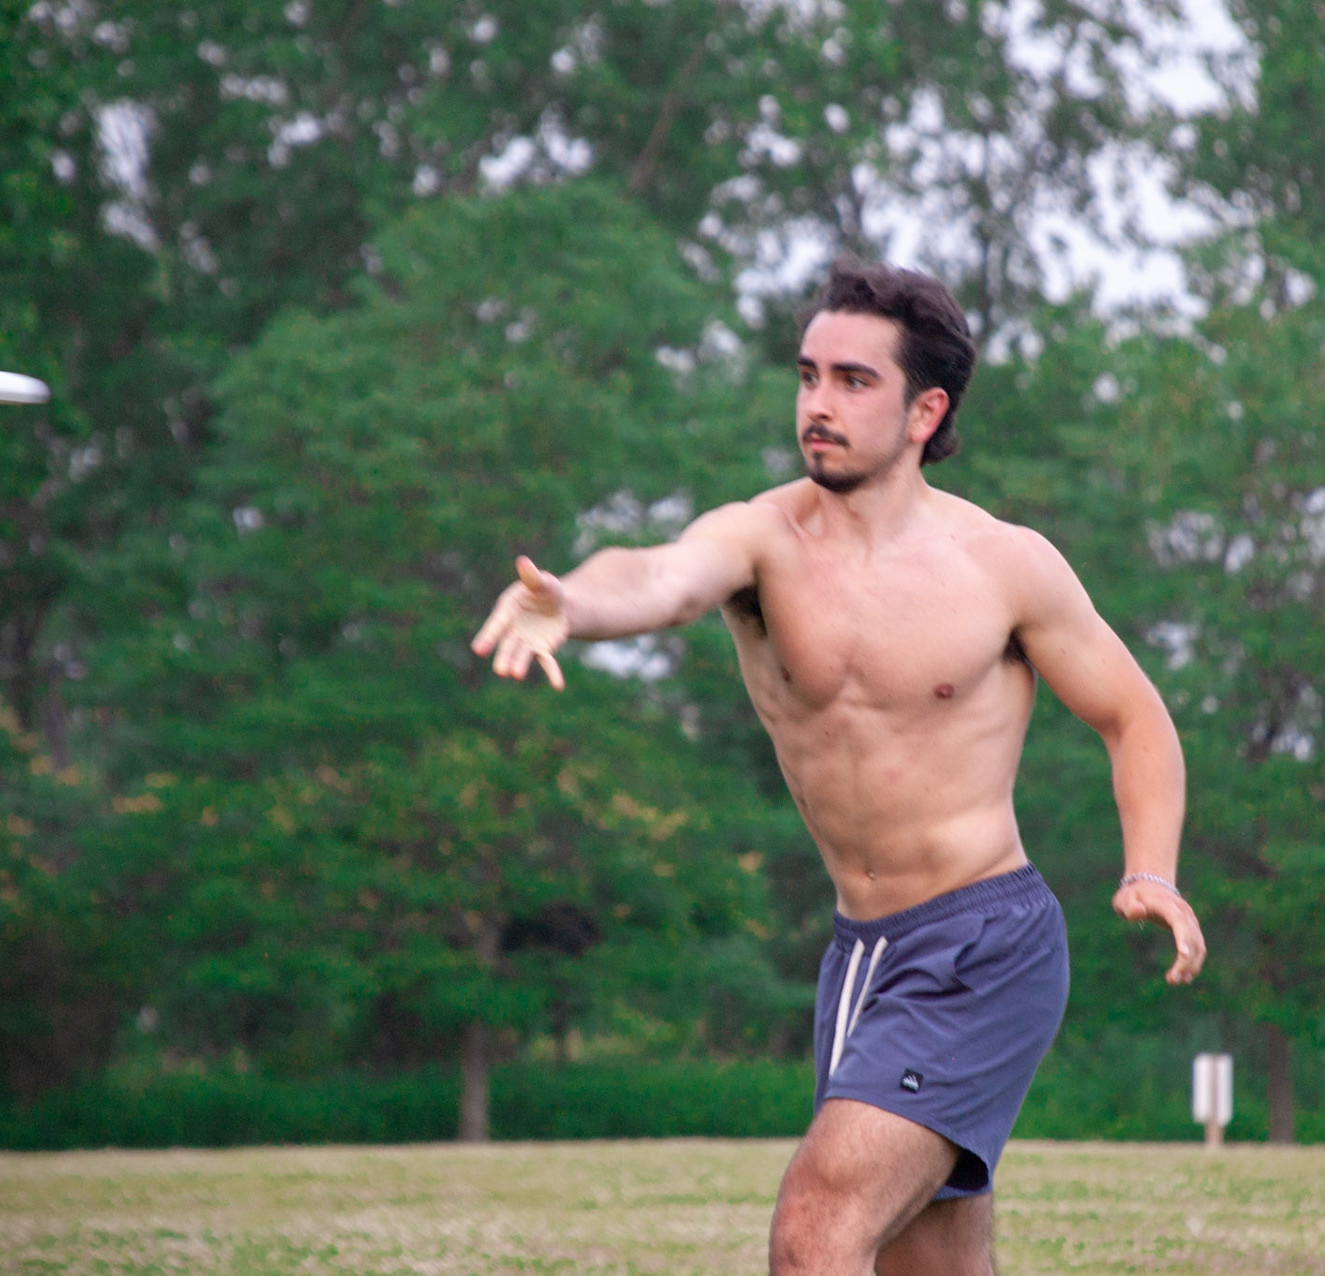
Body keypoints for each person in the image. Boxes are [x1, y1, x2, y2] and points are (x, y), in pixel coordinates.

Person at [472, 259, 1205, 1275]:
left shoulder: (1005, 565)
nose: (819, 403)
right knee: (924, 1266)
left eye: (855, 381)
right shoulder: (762, 539)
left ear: (925, 411)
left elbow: (1134, 717)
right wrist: (574, 602)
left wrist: (1152, 868)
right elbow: (659, 575)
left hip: (984, 946)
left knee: (817, 1232)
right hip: (862, 953)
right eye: (809, 375)